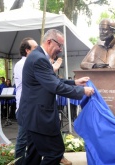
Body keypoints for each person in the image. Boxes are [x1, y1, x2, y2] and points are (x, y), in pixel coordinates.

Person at [17, 29, 94, 165]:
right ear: (49, 42)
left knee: (33, 155)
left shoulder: (38, 57)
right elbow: (56, 87)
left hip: (33, 116)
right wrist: (82, 91)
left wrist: (75, 82)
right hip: (39, 117)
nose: (61, 49)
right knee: (55, 153)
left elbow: (53, 80)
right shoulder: (39, 59)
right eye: (60, 45)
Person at [13, 37, 38, 165]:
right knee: (22, 141)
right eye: (35, 48)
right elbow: (34, 80)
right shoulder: (22, 64)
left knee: (32, 140)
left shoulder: (30, 63)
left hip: (30, 107)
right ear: (27, 50)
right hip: (24, 108)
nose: (38, 50)